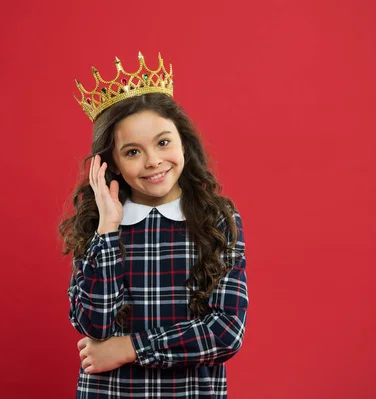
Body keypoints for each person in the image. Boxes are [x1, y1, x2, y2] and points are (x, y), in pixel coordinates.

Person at [59, 52, 248, 398]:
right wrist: (108, 230)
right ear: (111, 164)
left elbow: (225, 332)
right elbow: (95, 325)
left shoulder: (216, 220)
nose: (153, 161)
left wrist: (129, 348)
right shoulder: (98, 225)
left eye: (163, 142)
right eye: (132, 152)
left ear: (183, 142)